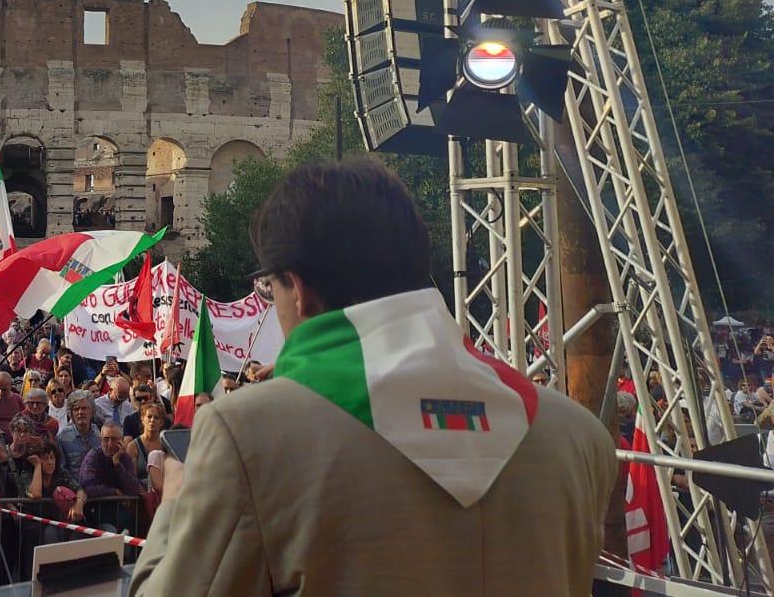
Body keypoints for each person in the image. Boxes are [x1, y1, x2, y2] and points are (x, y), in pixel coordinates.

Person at [128, 158, 618, 596]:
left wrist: (175, 506)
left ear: (296, 288)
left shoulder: (246, 436)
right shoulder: (578, 436)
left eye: (268, 287)